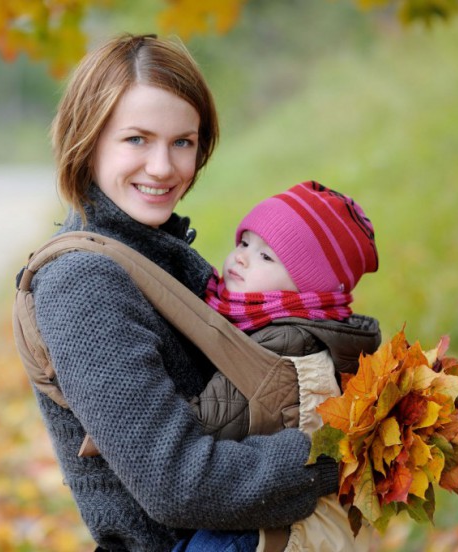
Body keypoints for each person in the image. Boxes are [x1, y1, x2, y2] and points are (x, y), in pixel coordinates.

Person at [23, 34, 339, 552]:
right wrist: (338, 453)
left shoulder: (161, 253)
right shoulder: (84, 283)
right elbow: (179, 483)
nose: (164, 168)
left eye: (182, 142)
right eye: (136, 140)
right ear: (88, 139)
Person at [190, 181, 381, 551]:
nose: (241, 257)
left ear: (308, 290)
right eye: (244, 243)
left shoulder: (283, 343)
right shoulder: (300, 326)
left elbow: (209, 424)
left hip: (264, 535)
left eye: (266, 257)